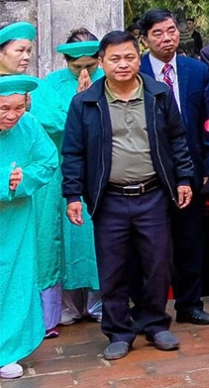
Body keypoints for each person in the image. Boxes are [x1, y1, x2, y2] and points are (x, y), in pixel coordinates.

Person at [60, 31, 194, 360]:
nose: (123, 64)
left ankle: (154, 323)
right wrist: (73, 194)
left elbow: (178, 140)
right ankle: (119, 331)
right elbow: (73, 152)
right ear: (101, 62)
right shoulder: (85, 102)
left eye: (129, 57)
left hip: (153, 194)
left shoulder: (159, 95)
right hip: (109, 198)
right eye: (115, 59)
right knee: (113, 268)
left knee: (157, 263)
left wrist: (184, 178)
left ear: (139, 57)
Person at [134, 9, 209, 327]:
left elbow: (208, 122)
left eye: (171, 30)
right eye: (157, 33)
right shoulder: (135, 71)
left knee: (190, 240)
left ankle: (189, 304)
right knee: (149, 244)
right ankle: (148, 310)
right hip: (148, 170)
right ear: (144, 40)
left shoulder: (195, 70)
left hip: (191, 169)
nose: (167, 38)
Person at [32, 32, 101, 326]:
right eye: (76, 67)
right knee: (67, 239)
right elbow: (50, 123)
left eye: (90, 65)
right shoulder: (48, 85)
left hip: (98, 169)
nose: (84, 73)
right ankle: (69, 306)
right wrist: (78, 104)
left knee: (95, 238)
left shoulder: (109, 79)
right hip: (64, 168)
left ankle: (100, 304)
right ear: (66, 62)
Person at [0, 75, 57, 380]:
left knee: (14, 279)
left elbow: (48, 161)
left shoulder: (29, 125)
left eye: (18, 108)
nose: (11, 115)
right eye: (4, 108)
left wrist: (24, 181)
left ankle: (7, 350)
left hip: (17, 217)